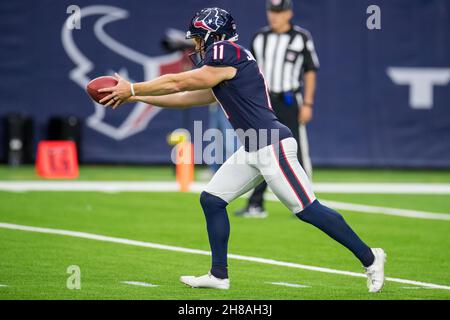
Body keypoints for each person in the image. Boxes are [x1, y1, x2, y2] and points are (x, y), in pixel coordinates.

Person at [98, 7, 386, 293]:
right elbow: (186, 97)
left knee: (308, 210)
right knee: (212, 200)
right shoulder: (222, 66)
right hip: (252, 146)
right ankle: (218, 275)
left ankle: (371, 257)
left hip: (271, 143)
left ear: (216, 35)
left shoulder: (226, 51)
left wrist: (133, 88)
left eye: (199, 37)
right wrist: (137, 98)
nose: (196, 44)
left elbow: (179, 81)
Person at [235, 0, 318, 218]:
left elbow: (310, 70)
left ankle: (307, 202)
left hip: (290, 99)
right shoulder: (260, 37)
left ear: (289, 13)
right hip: (264, 102)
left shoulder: (301, 37)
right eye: (271, 11)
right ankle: (255, 203)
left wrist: (308, 103)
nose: (275, 16)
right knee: (260, 149)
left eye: (279, 12)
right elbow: (250, 71)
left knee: (297, 149)